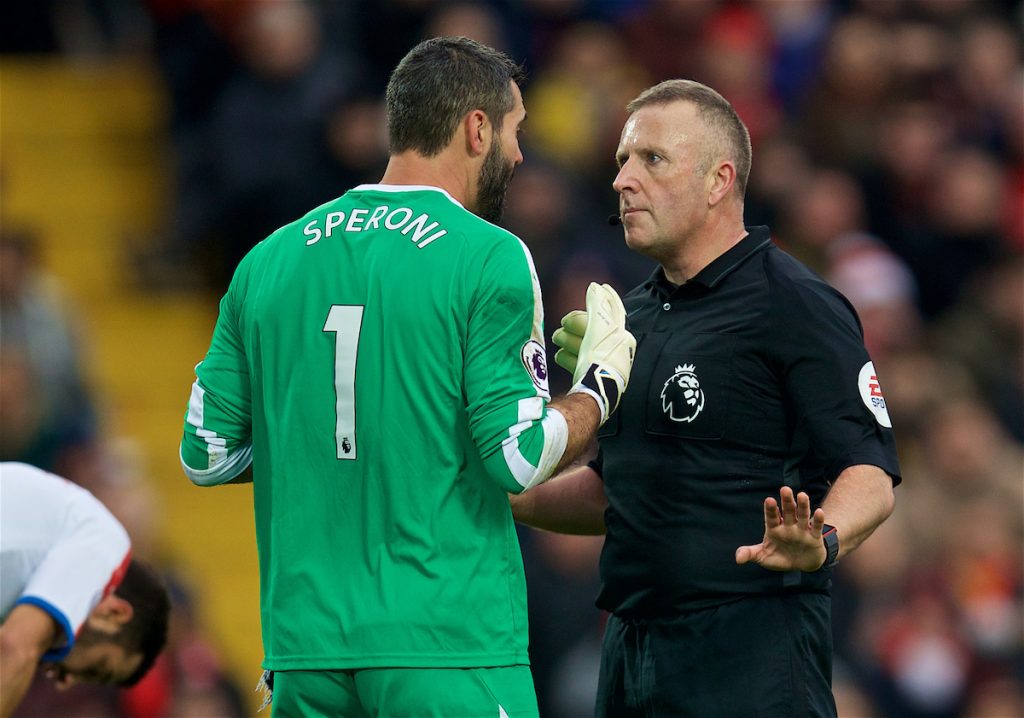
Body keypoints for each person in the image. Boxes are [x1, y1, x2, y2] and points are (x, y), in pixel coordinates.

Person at [179, 36, 635, 718]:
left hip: (306, 652)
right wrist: (599, 385)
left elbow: (207, 453)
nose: (517, 155)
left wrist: (332, 439)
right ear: (477, 127)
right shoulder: (488, 256)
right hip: (447, 645)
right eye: (514, 132)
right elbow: (518, 456)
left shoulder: (267, 261)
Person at [511, 79, 901, 718]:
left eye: (651, 160)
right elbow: (616, 491)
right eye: (621, 162)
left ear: (719, 180)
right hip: (629, 648)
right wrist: (510, 497)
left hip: (751, 649)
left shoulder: (796, 304)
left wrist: (822, 538)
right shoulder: (630, 319)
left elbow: (871, 470)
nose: (623, 181)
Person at [0, 462, 170, 717]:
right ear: (112, 614)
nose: (64, 683)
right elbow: (15, 648)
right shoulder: (107, 544)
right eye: (96, 669)